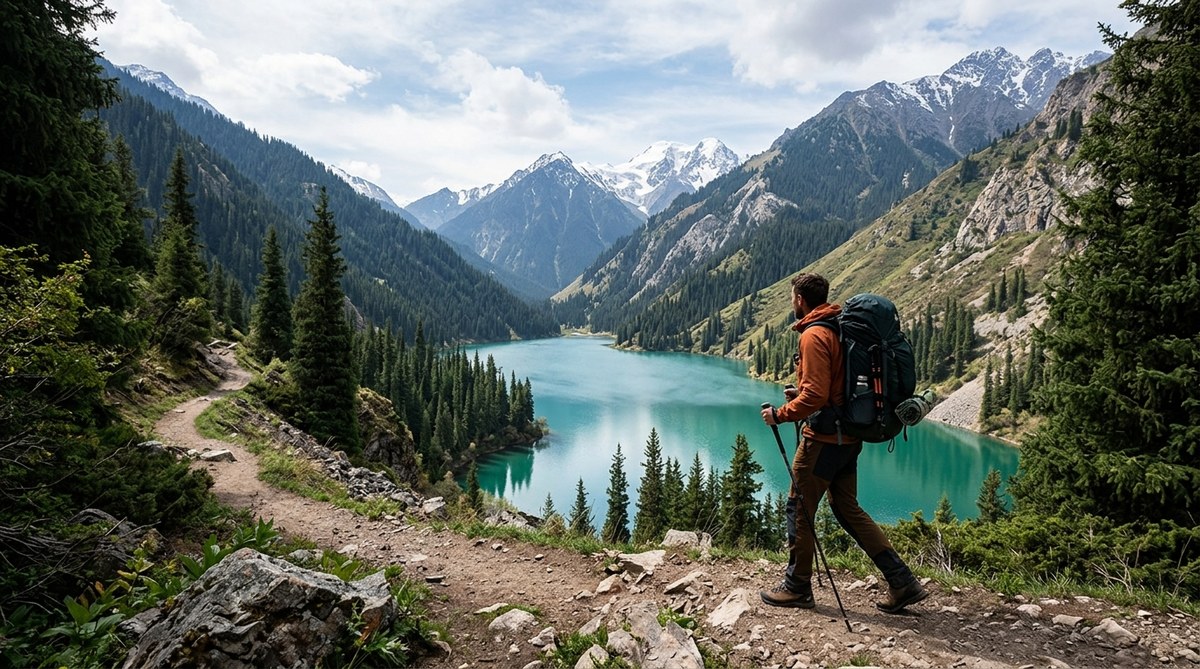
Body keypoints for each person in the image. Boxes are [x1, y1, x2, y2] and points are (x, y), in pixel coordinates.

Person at [759, 272, 927, 614]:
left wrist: (782, 413)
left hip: (822, 440)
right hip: (849, 437)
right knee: (847, 509)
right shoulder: (837, 327)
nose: (792, 302)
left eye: (792, 297)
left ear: (800, 300)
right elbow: (831, 387)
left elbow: (817, 394)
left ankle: (797, 587)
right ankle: (901, 580)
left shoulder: (814, 334)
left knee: (800, 509)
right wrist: (804, 396)